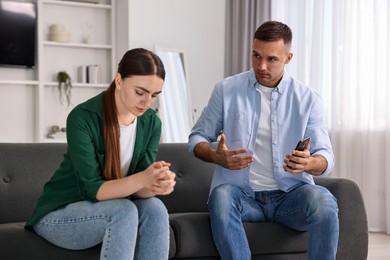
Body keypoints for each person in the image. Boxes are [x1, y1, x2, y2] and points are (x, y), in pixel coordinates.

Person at [188, 21, 338, 260]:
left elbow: (326, 158)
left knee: (324, 201)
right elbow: (197, 137)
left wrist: (308, 163)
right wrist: (215, 155)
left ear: (288, 58)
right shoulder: (226, 91)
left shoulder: (308, 100)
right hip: (242, 196)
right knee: (221, 196)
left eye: (271, 59)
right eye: (256, 56)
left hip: (290, 197)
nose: (261, 66)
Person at [25, 48, 176, 260]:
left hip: (112, 207)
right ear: (119, 80)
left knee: (155, 208)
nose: (147, 102)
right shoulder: (82, 118)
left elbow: (139, 189)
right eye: (140, 92)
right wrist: (143, 178)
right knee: (123, 211)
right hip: (59, 215)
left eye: (154, 95)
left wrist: (156, 184)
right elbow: (92, 189)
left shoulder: (151, 122)